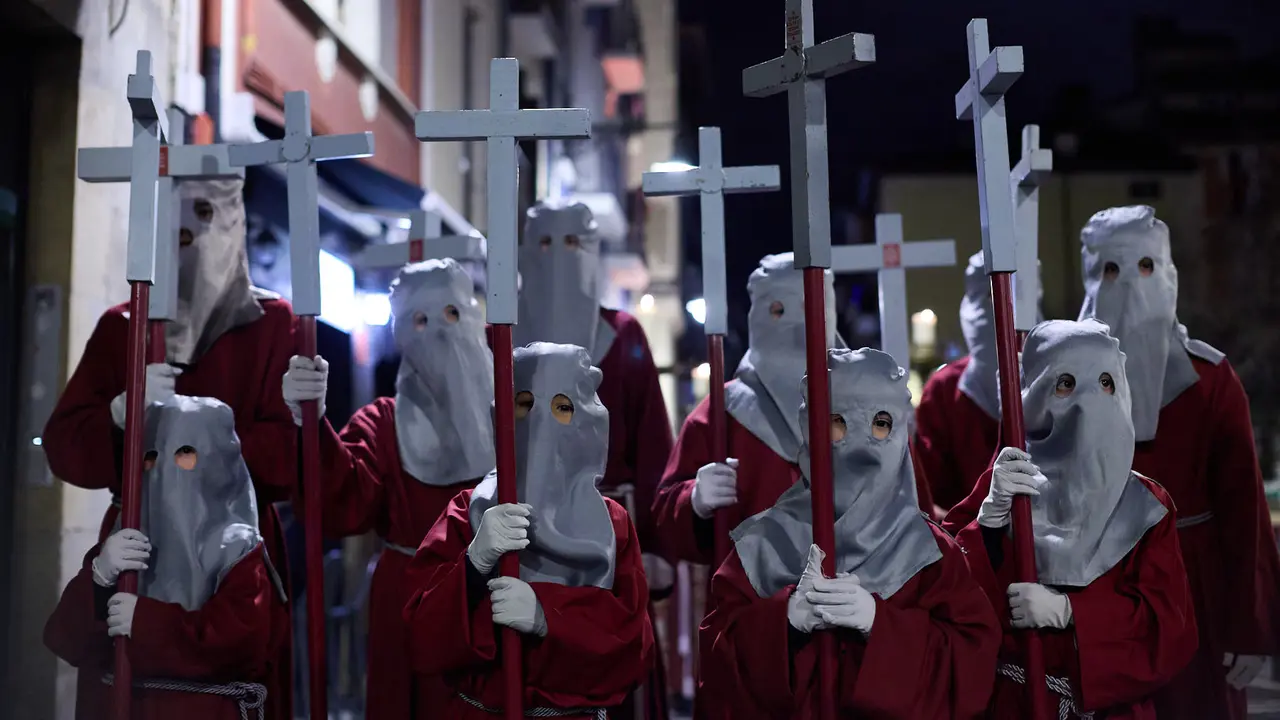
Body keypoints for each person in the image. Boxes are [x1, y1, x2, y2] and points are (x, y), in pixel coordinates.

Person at [947, 206, 1280, 718]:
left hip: (1181, 591)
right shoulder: (1058, 367)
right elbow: (977, 524)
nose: (1129, 285)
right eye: (1111, 270)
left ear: (1169, 273)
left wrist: (1248, 624)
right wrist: (990, 523)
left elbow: (1245, 514)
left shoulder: (1208, 381)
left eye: (1147, 267)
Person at [701, 347, 1000, 719]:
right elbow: (716, 663)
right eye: (839, 422)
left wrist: (881, 624)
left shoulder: (930, 553)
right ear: (810, 427)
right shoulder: (764, 543)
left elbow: (972, 662)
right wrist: (785, 621)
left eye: (881, 423)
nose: (862, 447)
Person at [42, 177, 297, 587]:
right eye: (177, 224)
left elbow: (290, 458)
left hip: (235, 546)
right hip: (143, 539)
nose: (191, 237)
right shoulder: (122, 327)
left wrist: (196, 440)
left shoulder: (271, 325)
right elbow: (64, 444)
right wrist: (119, 415)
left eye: (205, 215)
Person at [280, 258, 494, 719]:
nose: (438, 331)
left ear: (474, 316)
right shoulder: (383, 422)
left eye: (452, 314)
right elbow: (344, 503)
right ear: (402, 334)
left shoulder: (513, 411)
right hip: (409, 603)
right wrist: (312, 423)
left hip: (491, 595)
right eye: (420, 320)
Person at [955, 319, 1198, 718]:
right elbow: (951, 596)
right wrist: (989, 527)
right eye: (1066, 384)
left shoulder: (1147, 506)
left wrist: (1073, 613)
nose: (1088, 404)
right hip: (1016, 703)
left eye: (1105, 383)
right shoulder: (1003, 485)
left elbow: (1169, 628)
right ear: (1033, 396)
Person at [403, 342, 653, 718]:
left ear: (587, 419)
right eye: (524, 404)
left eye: (562, 408)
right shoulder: (465, 512)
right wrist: (473, 565)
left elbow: (633, 645)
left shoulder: (610, 524)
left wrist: (548, 615)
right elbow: (422, 637)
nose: (541, 423)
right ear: (503, 414)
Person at [655, 253, 934, 568]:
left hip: (862, 598)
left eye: (811, 309)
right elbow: (666, 521)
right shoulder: (723, 413)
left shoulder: (872, 406)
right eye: (779, 311)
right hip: (756, 602)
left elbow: (915, 518)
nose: (797, 329)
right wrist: (694, 499)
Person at [516, 201, 672, 718]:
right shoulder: (500, 337)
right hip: (520, 530)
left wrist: (656, 544)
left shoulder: (623, 334)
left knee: (605, 649)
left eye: (572, 244)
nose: (558, 258)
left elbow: (652, 443)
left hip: (609, 531)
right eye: (544, 243)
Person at [44, 395, 291, 720]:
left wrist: (145, 623)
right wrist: (99, 578)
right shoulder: (126, 533)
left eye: (185, 453)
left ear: (215, 459)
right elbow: (66, 640)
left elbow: (241, 644)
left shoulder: (239, 550)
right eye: (150, 455)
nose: (162, 470)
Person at [912, 252, 1001, 516]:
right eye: (989, 298)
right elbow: (929, 496)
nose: (999, 310)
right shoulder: (944, 390)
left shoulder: (1058, 379)